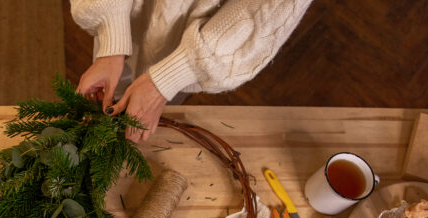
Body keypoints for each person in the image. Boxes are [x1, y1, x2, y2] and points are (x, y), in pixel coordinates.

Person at [71, 0, 313, 142]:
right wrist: (112, 36)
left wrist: (169, 78)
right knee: (109, 89)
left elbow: (266, 11)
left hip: (196, 38)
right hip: (130, 9)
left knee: (153, 106)